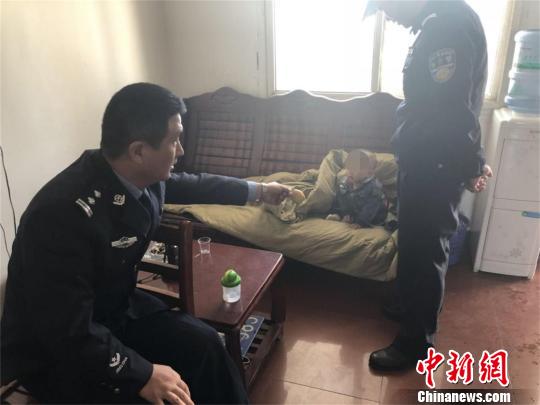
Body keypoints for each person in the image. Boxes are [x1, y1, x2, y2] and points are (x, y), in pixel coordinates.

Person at [0, 82, 291, 403]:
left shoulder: (138, 175)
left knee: (206, 345)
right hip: (55, 351)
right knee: (158, 395)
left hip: (115, 310)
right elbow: (66, 330)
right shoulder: (59, 216)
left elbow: (193, 184)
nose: (181, 151)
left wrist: (259, 191)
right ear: (138, 151)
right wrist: (142, 373)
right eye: (174, 140)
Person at [363, 0, 493, 370]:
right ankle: (408, 306)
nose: (388, 17)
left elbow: (455, 110)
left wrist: (473, 164)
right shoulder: (436, 24)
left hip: (436, 165)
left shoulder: (446, 26)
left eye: (387, 8)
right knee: (412, 242)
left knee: (425, 250)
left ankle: (416, 343)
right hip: (423, 160)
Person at [326, 149, 388, 228]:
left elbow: (370, 209)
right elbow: (339, 201)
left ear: (369, 173)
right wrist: (340, 214)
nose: (351, 171)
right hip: (353, 213)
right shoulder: (344, 183)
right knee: (341, 194)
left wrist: (360, 222)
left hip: (371, 218)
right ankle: (337, 215)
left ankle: (355, 220)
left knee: (372, 209)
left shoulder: (374, 189)